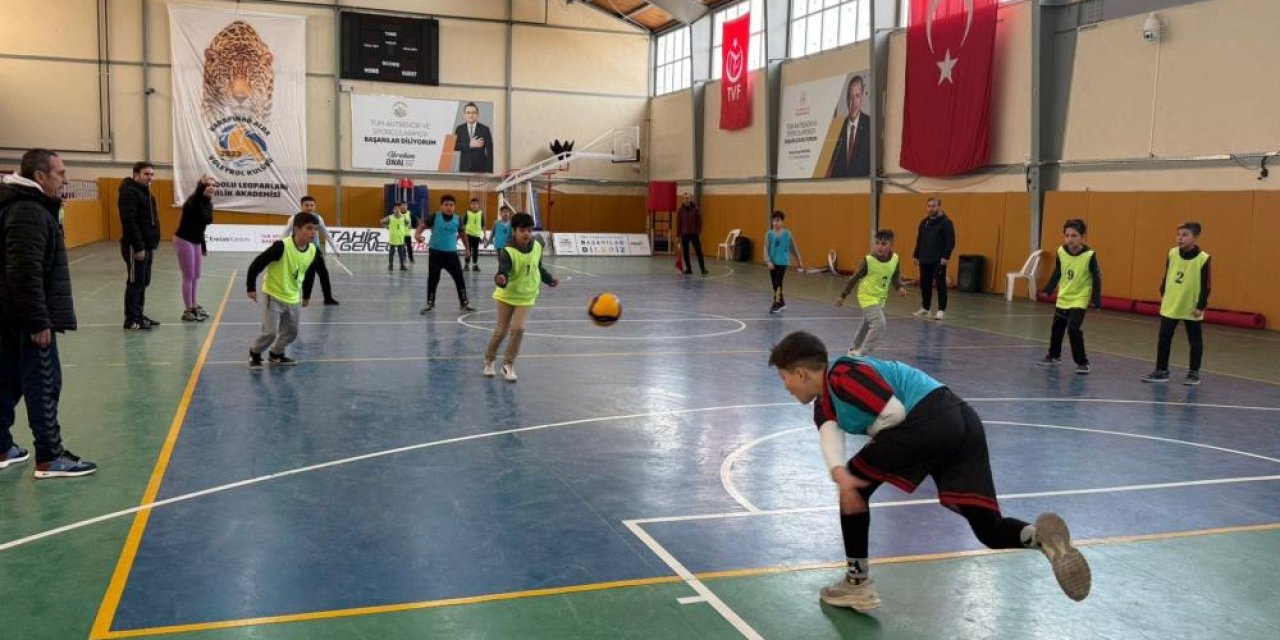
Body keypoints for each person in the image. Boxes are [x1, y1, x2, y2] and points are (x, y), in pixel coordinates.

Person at [768, 331, 1091, 611]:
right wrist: (840, 472)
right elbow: (830, 435)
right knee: (986, 527)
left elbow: (893, 413)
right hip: (963, 421)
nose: (785, 387)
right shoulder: (825, 402)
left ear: (800, 373)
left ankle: (857, 583)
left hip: (931, 417)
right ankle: (1042, 540)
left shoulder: (841, 375)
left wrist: (851, 480)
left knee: (855, 488)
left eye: (783, 377)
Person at [0, 148, 98, 478]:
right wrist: (38, 320)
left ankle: (1, 445)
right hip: (25, 316)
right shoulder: (28, 210)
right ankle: (49, 456)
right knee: (44, 382)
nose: (65, 179)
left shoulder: (22, 205)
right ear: (39, 176)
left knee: (8, 381)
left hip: (10, 313)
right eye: (60, 174)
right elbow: (24, 270)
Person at [483, 213, 559, 382]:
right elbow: (502, 272)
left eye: (529, 230)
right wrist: (501, 279)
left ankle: (508, 365)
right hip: (506, 295)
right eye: (522, 230)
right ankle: (489, 359)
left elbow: (537, 266)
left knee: (518, 329)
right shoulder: (507, 251)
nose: (526, 234)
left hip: (527, 295)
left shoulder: (537, 246)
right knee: (501, 331)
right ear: (514, 231)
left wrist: (548, 279)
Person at [246, 212, 318, 368]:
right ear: (297, 229)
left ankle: (276, 354)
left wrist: (306, 295)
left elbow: (310, 272)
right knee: (270, 333)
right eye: (309, 228)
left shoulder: (312, 249)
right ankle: (255, 352)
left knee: (291, 332)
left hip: (293, 297)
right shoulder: (281, 246)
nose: (314, 232)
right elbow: (257, 263)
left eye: (315, 229)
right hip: (274, 295)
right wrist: (250, 287)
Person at [1143, 221, 1210, 385]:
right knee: (1164, 337)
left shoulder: (1203, 258)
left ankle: (1194, 373)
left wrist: (1200, 305)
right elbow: (1168, 274)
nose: (1180, 238)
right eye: (1178, 234)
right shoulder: (1172, 253)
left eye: (1185, 235)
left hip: (1191, 306)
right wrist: (1163, 292)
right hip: (1171, 303)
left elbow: (1206, 284)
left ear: (1195, 237)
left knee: (1194, 340)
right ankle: (1161, 370)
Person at [1038, 219, 1102, 374]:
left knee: (1073, 329)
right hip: (1064, 296)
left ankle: (1083, 362)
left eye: (1074, 235)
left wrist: (1095, 299)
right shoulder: (1061, 251)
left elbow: (1097, 277)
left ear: (1082, 237)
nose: (1070, 239)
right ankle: (1054, 355)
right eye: (1067, 235)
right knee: (1057, 328)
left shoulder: (1089, 255)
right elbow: (1058, 271)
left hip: (1079, 298)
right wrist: (1049, 289)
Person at [835, 229, 908, 356]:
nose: (879, 247)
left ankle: (853, 348)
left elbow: (895, 275)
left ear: (891, 245)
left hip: (880, 298)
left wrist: (899, 287)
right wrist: (843, 295)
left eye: (884, 244)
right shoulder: (868, 260)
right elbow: (854, 278)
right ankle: (863, 353)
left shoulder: (895, 259)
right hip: (866, 296)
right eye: (877, 243)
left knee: (867, 323)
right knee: (879, 324)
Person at [414, 194, 476, 314]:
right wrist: (417, 235)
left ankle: (464, 303)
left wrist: (468, 249)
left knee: (459, 278)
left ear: (454, 207)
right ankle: (430, 303)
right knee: (433, 279)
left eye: (451, 205)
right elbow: (422, 226)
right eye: (446, 205)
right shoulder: (434, 216)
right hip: (435, 254)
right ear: (441, 206)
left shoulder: (458, 219)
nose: (449, 207)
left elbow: (463, 235)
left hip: (451, 255)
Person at [119, 161, 160, 330]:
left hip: (148, 245)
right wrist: (138, 246)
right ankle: (131, 319)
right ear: (136, 174)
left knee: (143, 281)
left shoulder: (147, 194)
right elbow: (129, 221)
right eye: (146, 174)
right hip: (136, 246)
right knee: (135, 282)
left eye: (151, 174)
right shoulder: (129, 192)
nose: (150, 177)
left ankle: (139, 314)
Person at [283, 196, 340, 306]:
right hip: (299, 250)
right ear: (301, 206)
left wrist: (335, 248)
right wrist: (280, 246)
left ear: (315, 206)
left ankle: (328, 298)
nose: (309, 207)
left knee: (324, 273)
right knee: (305, 275)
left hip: (314, 250)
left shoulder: (318, 218)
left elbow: (326, 233)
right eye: (306, 205)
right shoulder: (294, 218)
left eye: (312, 205)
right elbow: (285, 232)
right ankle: (303, 298)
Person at [174, 175, 215, 322]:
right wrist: (200, 185)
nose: (211, 187)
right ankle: (188, 309)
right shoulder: (193, 202)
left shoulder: (208, 203)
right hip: (184, 240)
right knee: (188, 276)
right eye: (208, 185)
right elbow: (203, 215)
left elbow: (202, 226)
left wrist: (203, 246)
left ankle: (194, 304)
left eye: (213, 185)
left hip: (196, 241)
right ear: (201, 188)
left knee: (196, 275)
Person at [911, 197, 955, 321]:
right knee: (925, 284)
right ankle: (925, 308)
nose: (931, 208)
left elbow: (950, 242)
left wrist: (946, 257)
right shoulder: (923, 223)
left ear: (939, 206)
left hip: (938, 260)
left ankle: (941, 310)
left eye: (933, 206)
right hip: (924, 259)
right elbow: (919, 240)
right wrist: (916, 255)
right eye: (929, 206)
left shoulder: (946, 223)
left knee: (940, 285)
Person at [826, 75, 871, 178]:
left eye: (857, 96)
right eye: (851, 97)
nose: (853, 102)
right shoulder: (838, 129)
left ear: (862, 97)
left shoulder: (870, 125)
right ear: (846, 99)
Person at [765, 211, 803, 314]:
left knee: (778, 283)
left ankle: (776, 304)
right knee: (774, 284)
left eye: (778, 221)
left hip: (783, 262)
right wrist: (768, 261)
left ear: (782, 222)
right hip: (772, 263)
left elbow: (793, 247)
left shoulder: (787, 234)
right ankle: (782, 303)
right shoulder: (769, 234)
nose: (775, 223)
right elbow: (766, 248)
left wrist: (798, 259)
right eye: (774, 221)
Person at [454, 102, 494, 173]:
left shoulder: (485, 129)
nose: (471, 115)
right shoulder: (460, 129)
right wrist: (469, 145)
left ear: (477, 114)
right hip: (464, 168)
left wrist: (489, 171)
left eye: (473, 113)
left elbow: (490, 151)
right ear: (464, 115)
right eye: (468, 113)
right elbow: (454, 146)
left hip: (481, 170)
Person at [677, 192, 709, 275]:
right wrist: (678, 235)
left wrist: (698, 231)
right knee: (686, 253)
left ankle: (703, 269)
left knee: (699, 252)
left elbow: (699, 220)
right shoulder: (680, 210)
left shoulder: (695, 208)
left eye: (688, 198)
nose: (686, 200)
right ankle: (688, 269)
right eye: (684, 198)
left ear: (690, 199)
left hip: (694, 234)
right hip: (684, 234)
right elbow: (678, 223)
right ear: (682, 200)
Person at [382, 204, 411, 271]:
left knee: (401, 254)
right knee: (391, 253)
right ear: (393, 210)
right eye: (395, 209)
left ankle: (402, 266)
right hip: (393, 238)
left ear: (400, 210)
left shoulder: (404, 218)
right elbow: (382, 221)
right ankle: (390, 265)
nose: (397, 210)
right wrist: (387, 227)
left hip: (400, 238)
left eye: (398, 209)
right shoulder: (390, 217)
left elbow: (408, 223)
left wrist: (408, 226)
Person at [463, 197, 485, 271]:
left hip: (477, 235)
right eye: (472, 204)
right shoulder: (467, 213)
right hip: (468, 234)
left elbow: (483, 225)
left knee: (476, 250)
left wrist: (484, 235)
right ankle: (466, 265)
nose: (474, 206)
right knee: (468, 250)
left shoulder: (481, 213)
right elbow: (463, 224)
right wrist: (462, 233)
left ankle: (475, 265)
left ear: (478, 205)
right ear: (470, 205)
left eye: (475, 204)